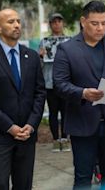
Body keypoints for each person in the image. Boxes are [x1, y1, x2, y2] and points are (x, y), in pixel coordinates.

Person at [53, 0, 105, 189]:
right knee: (83, 178)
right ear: (83, 21)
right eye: (95, 23)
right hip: (82, 121)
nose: (100, 28)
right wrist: (82, 93)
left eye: (104, 23)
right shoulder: (67, 49)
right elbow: (59, 84)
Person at [0, 8, 46, 190]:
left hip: (27, 134)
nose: (16, 25)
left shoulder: (31, 57)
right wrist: (10, 127)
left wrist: (31, 124)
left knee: (24, 185)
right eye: (10, 22)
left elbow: (40, 93)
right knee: (0, 184)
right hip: (0, 135)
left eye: (18, 21)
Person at [38, 13, 70, 152]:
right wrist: (40, 55)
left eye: (59, 21)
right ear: (50, 25)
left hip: (65, 82)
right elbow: (39, 64)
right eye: (54, 22)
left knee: (66, 111)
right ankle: (55, 139)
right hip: (49, 82)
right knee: (53, 112)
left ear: (63, 24)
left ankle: (65, 138)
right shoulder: (44, 42)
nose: (57, 24)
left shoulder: (70, 41)